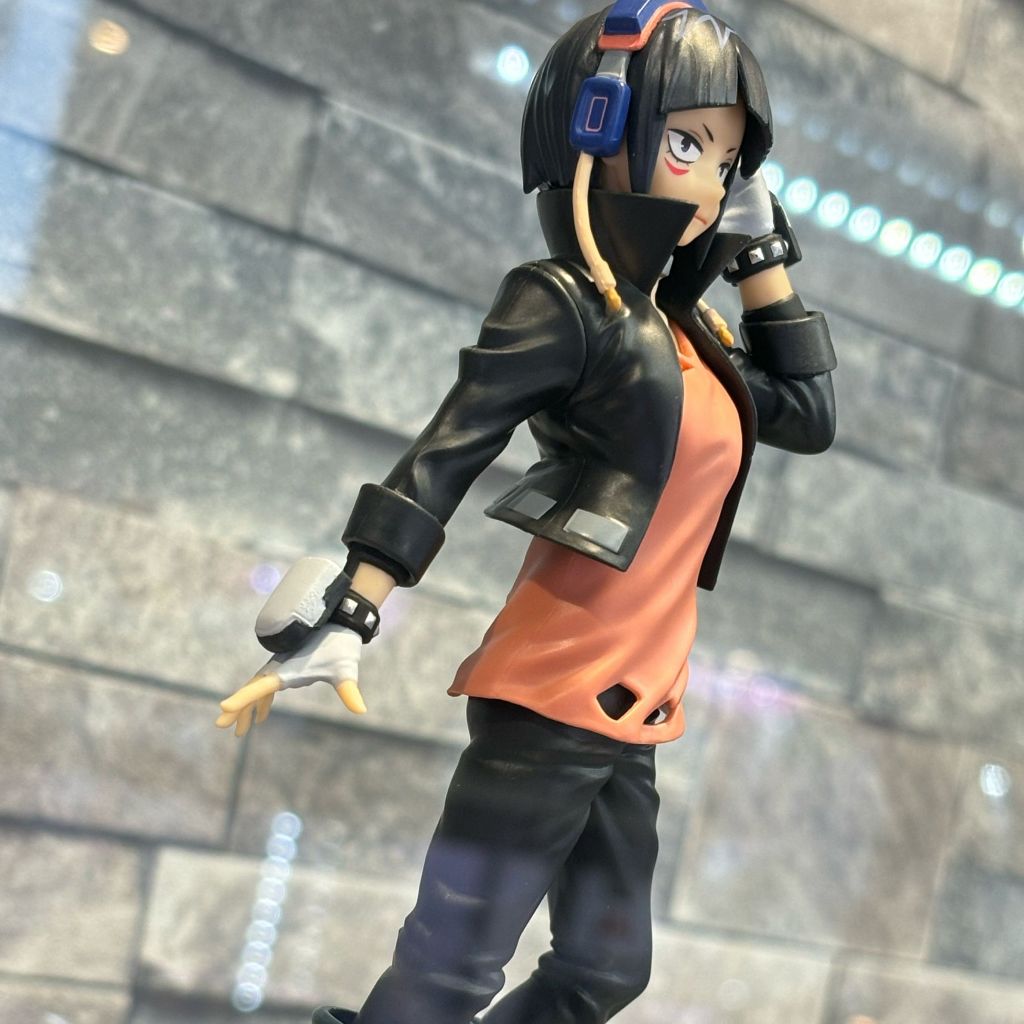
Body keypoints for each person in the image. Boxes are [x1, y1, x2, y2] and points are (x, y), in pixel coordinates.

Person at [217, 3, 837, 1022]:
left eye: (726, 162)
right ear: (601, 127)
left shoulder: (690, 335)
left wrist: (758, 245)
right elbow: (451, 445)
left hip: (635, 705)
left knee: (603, 972)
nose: (708, 183)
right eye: (687, 145)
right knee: (449, 971)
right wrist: (354, 604)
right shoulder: (567, 305)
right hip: (552, 690)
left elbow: (807, 415)